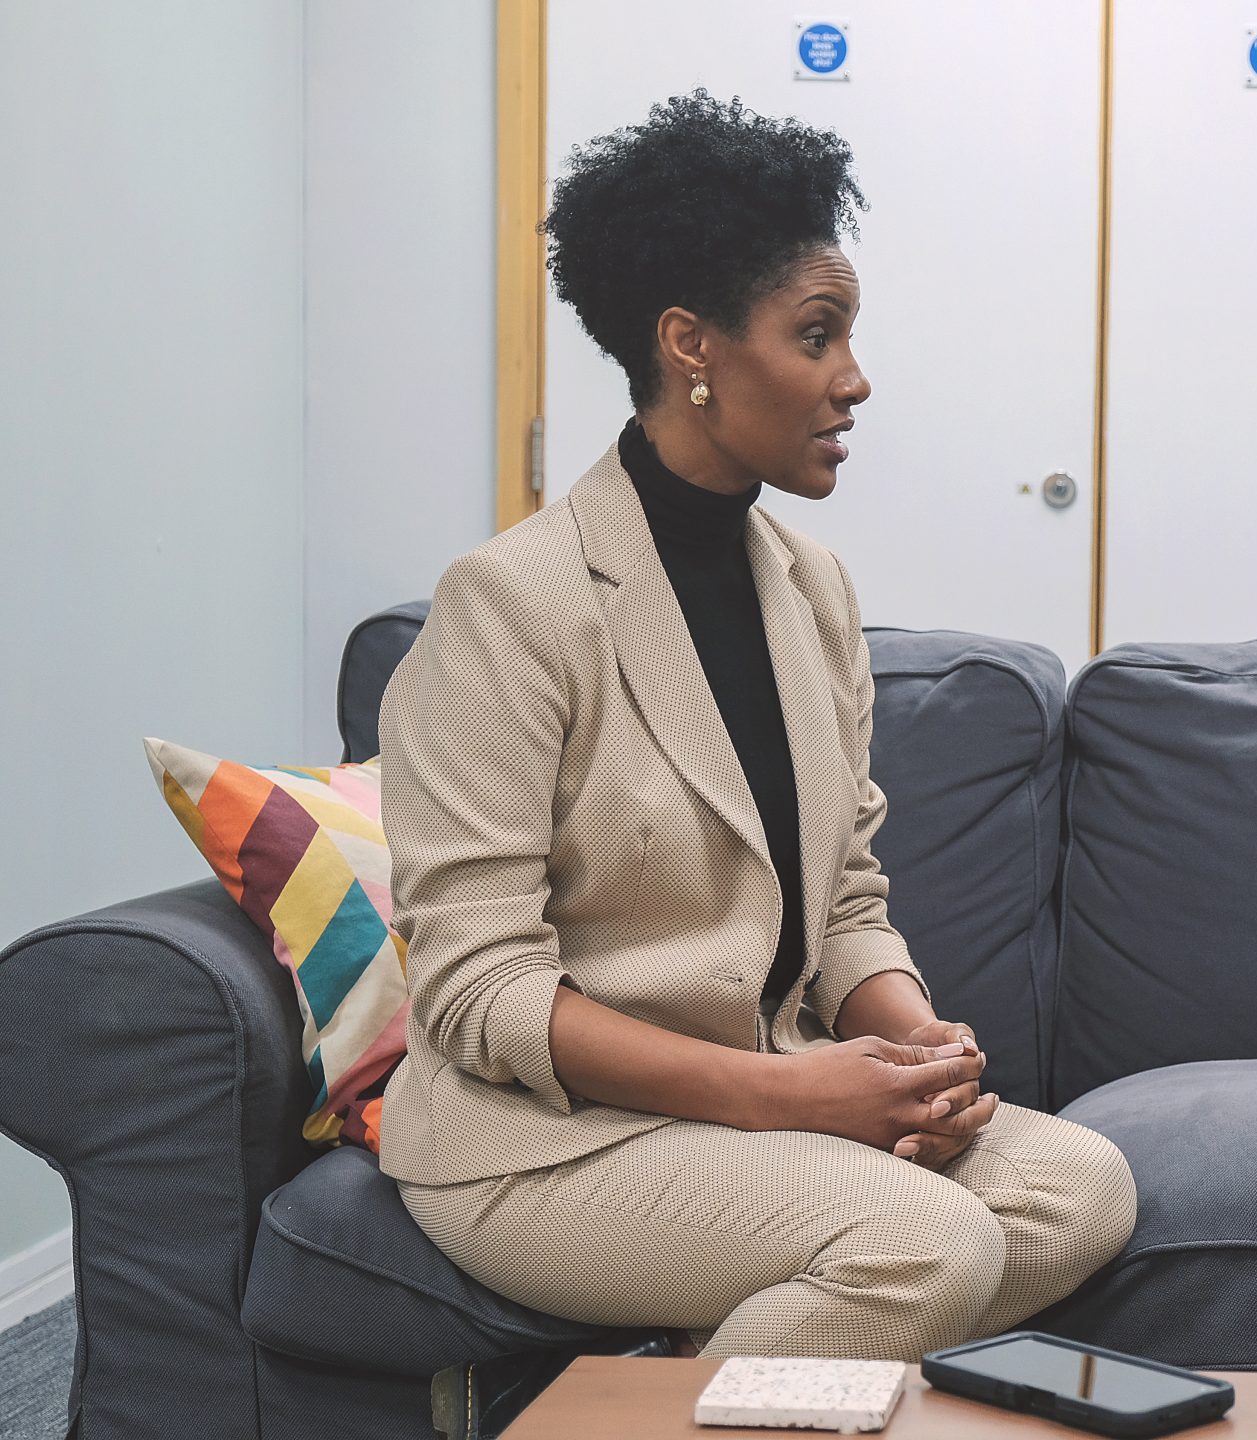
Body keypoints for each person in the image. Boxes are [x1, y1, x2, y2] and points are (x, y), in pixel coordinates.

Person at [377, 91, 1135, 1361]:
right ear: (693, 348)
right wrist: (791, 1094)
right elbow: (480, 990)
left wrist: (914, 1045)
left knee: (1079, 1188)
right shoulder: (511, 602)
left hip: (760, 1106)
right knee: (930, 1242)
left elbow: (842, 900)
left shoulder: (812, 589)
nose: (855, 378)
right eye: (818, 335)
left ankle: (730, 1362)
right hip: (551, 1137)